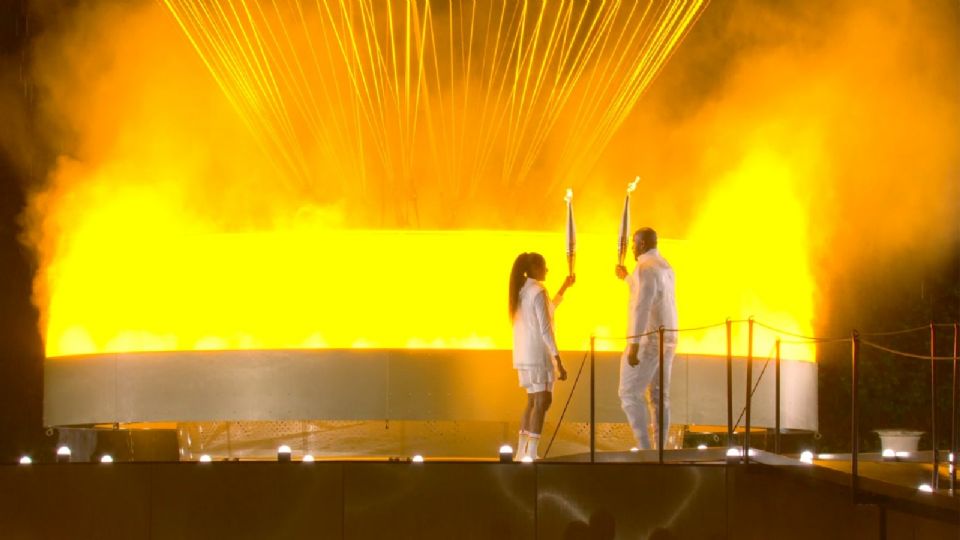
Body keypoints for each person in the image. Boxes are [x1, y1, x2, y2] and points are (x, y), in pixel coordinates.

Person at [615, 227, 677, 450]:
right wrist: (628, 279)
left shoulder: (644, 267)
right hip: (669, 337)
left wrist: (633, 343)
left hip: (649, 339)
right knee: (660, 396)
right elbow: (651, 294)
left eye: (633, 244)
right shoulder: (665, 266)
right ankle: (660, 450)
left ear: (641, 244)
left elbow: (642, 306)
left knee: (629, 393)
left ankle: (645, 449)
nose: (631, 248)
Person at [509, 252, 575, 460]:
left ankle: (522, 452)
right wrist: (558, 360)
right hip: (538, 355)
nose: (547, 270)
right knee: (542, 401)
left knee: (532, 402)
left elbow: (548, 310)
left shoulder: (521, 291)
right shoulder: (537, 291)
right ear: (535, 267)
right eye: (545, 266)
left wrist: (564, 288)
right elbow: (546, 328)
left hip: (524, 355)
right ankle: (532, 453)